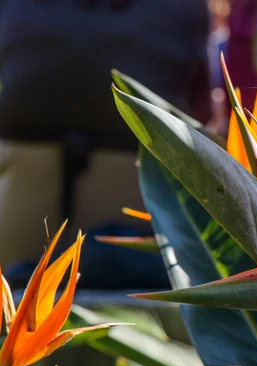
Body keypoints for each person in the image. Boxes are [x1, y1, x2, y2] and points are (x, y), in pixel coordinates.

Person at [0, 0, 212, 271]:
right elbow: (201, 109)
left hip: (23, 184)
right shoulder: (185, 6)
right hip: (138, 180)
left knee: (16, 297)